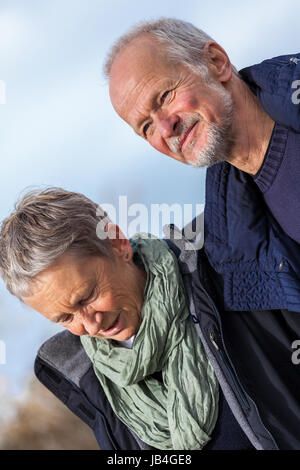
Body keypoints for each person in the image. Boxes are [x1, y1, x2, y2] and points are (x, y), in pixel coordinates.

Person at [1, 187, 300, 450]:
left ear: (118, 244)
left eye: (87, 296)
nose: (91, 325)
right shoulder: (90, 382)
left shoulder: (231, 268)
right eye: (66, 317)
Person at [105, 18, 300, 314]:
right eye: (146, 127)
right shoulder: (232, 247)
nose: (165, 128)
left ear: (216, 62)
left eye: (165, 96)